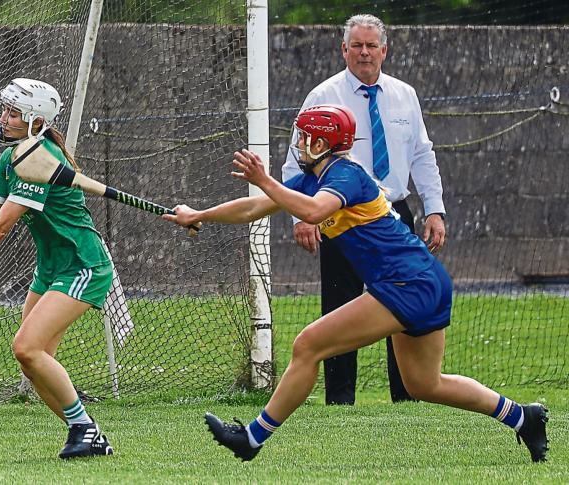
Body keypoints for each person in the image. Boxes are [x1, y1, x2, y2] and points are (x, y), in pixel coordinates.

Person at [163, 105, 549, 463]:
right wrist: (199, 214)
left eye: (303, 137)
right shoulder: (313, 179)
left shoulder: (345, 176)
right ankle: (523, 418)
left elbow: (314, 213)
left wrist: (264, 179)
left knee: (307, 345)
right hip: (423, 281)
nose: (297, 144)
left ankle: (250, 439)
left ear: (321, 143)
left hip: (406, 283)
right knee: (424, 384)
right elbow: (252, 207)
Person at [0, 78, 114, 459]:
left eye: (13, 113)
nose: (3, 118)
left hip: (83, 264)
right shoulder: (12, 157)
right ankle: (86, 433)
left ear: (36, 121)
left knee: (27, 347)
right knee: (35, 362)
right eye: (5, 110)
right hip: (52, 268)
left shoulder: (40, 159)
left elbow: (1, 227)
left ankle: (84, 428)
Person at [281, 14, 447, 405]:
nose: (365, 53)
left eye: (372, 45)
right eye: (356, 45)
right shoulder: (323, 96)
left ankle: (406, 397)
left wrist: (435, 209)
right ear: (344, 49)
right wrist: (302, 216)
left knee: (401, 304)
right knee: (339, 304)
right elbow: (295, 162)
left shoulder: (406, 94)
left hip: (394, 214)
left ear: (384, 50)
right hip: (339, 215)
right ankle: (340, 400)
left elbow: (423, 155)